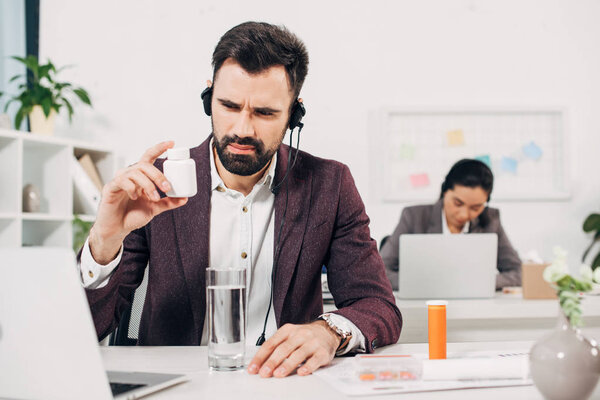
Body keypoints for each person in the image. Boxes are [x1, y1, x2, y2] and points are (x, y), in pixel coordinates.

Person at [79, 21, 401, 378]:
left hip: (288, 384)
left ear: (294, 113)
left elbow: (379, 306)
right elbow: (84, 332)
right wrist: (104, 241)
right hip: (178, 386)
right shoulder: (154, 184)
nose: (242, 129)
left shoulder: (329, 184)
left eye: (264, 113)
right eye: (229, 106)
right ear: (208, 98)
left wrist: (328, 332)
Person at [380, 159, 521, 291]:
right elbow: (379, 272)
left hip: (474, 306)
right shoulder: (414, 217)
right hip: (424, 303)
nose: (464, 215)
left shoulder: (491, 219)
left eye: (475, 208)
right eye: (457, 203)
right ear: (444, 191)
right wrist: (425, 283)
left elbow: (519, 272)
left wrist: (480, 282)